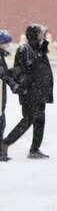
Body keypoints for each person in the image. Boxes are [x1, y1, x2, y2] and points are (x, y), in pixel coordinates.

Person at [1, 24, 54, 160]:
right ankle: (5, 143)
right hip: (30, 93)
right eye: (40, 34)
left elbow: (42, 51)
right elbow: (20, 70)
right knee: (28, 120)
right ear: (34, 35)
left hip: (41, 92)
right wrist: (22, 88)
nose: (43, 36)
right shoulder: (24, 49)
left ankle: (34, 150)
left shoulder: (39, 49)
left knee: (40, 121)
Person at [0, 30, 15, 161]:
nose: (8, 46)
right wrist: (13, 84)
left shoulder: (1, 56)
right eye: (6, 43)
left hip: (1, 96)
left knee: (2, 122)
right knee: (1, 122)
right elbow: (3, 74)